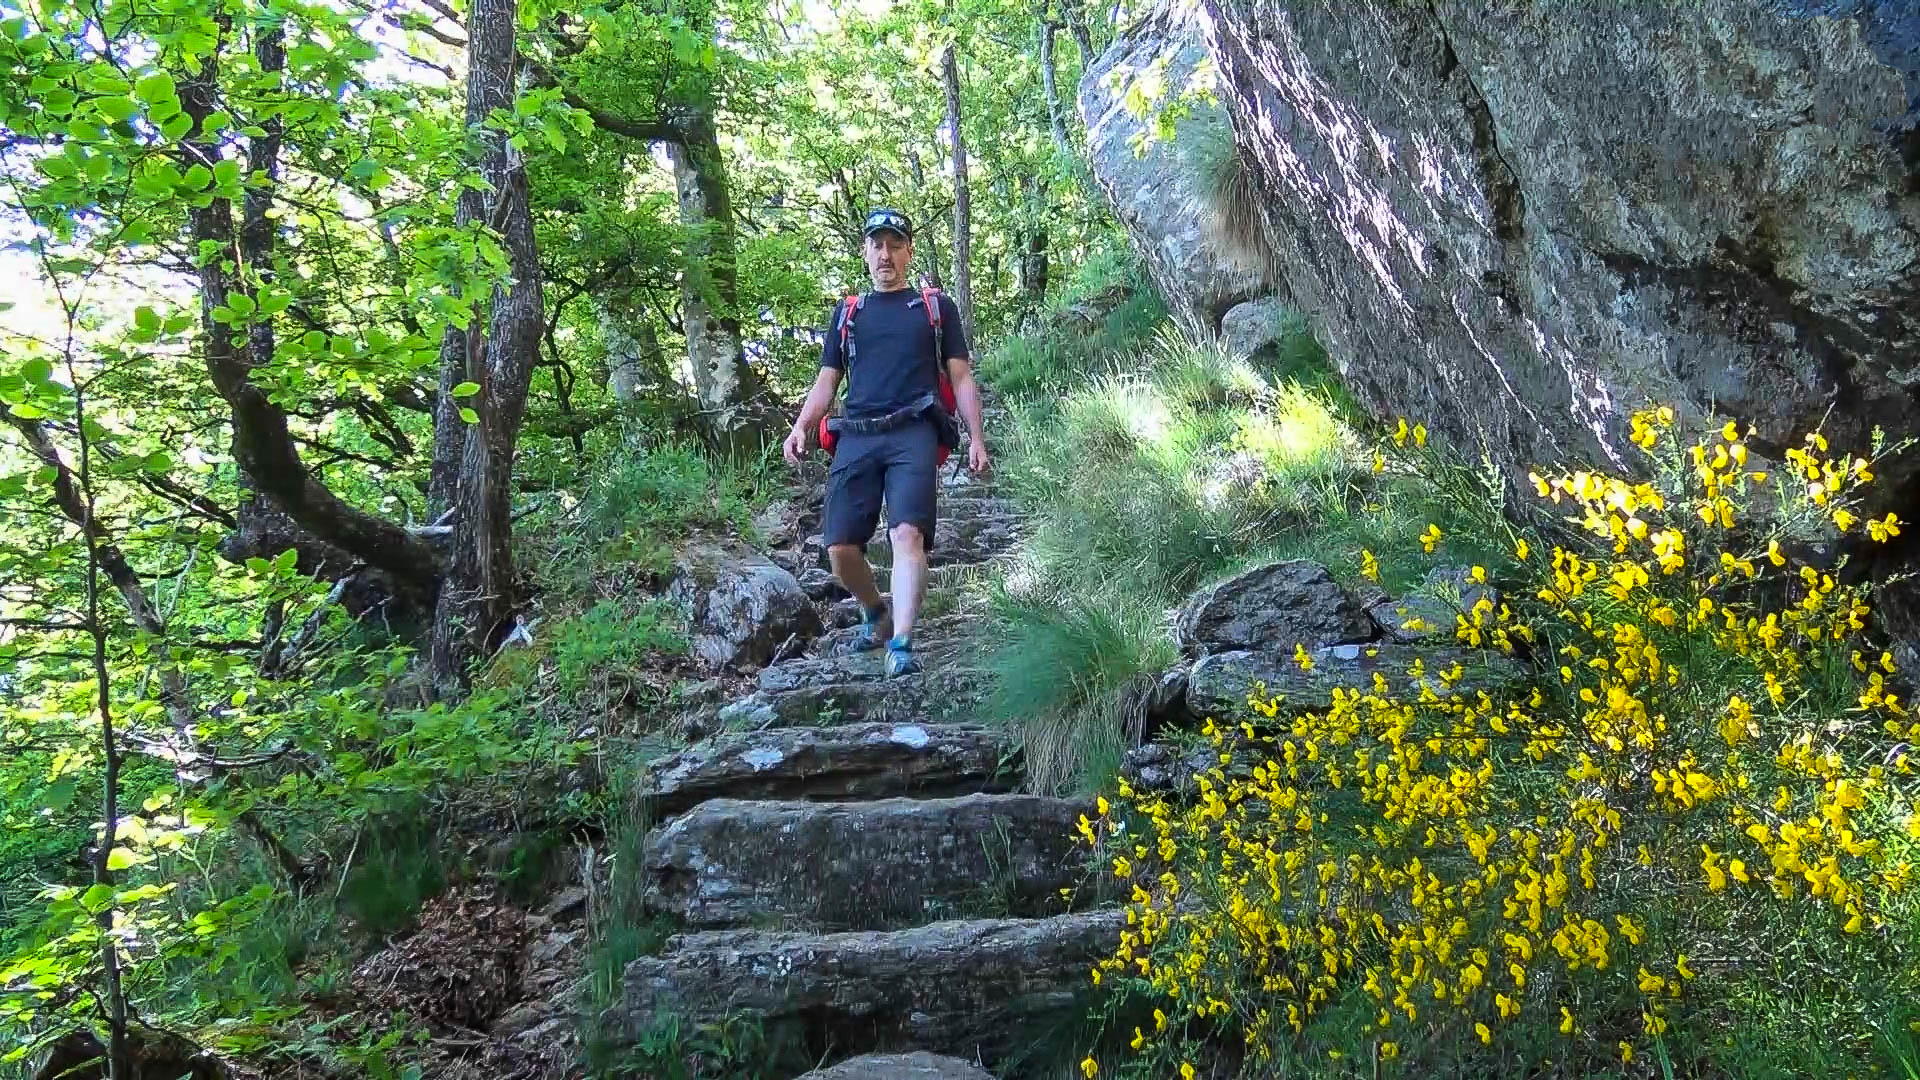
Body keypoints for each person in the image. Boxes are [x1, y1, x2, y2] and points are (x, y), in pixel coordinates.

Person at [782, 208, 990, 677]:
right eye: (877, 245)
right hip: (856, 434)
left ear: (908, 252)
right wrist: (800, 426)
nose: (885, 254)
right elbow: (826, 381)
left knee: (906, 534)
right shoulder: (849, 314)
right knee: (839, 549)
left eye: (895, 245)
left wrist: (976, 437)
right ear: (865, 252)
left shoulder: (935, 309)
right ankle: (876, 613)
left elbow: (960, 376)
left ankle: (902, 643)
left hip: (913, 429)